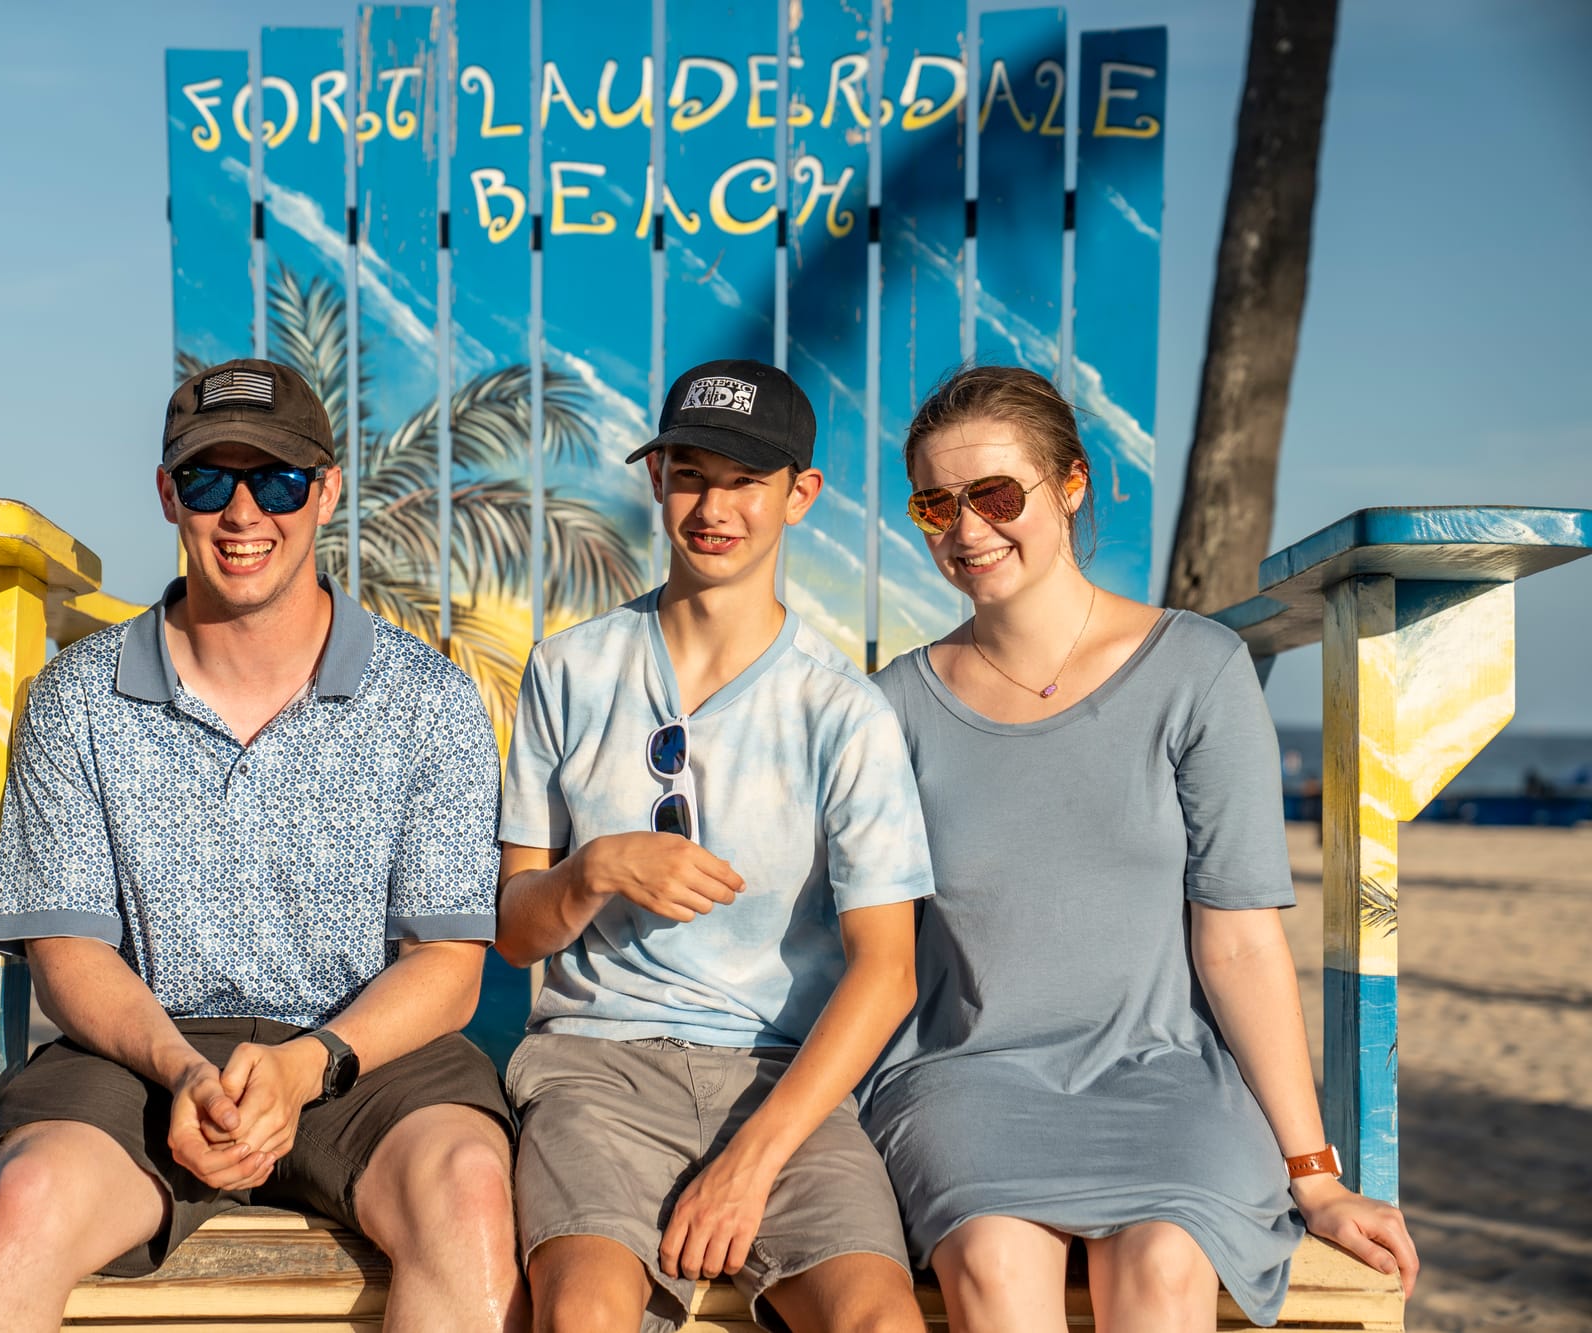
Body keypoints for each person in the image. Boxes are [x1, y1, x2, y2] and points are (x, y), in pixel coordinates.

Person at [0, 359, 523, 1333]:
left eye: (276, 480)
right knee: (24, 1200)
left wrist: (309, 1063)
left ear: (326, 490)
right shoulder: (76, 697)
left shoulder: (431, 700)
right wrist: (183, 1070)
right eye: (208, 480)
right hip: (142, 1053)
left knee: (470, 1193)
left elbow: (448, 967)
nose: (242, 512)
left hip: (361, 1057)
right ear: (168, 494)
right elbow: (69, 952)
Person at [861, 365, 1420, 1330]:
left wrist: (1316, 1175)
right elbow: (870, 949)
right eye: (935, 504)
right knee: (993, 1258)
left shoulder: (1198, 670)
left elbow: (1239, 943)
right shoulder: (893, 706)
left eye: (996, 495)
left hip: (1168, 1076)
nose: (967, 528)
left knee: (1165, 1264)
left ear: (1071, 484)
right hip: (967, 1078)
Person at [494, 359, 934, 1333]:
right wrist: (594, 868)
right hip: (596, 1070)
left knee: (880, 1321)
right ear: (656, 478)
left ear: (799, 495)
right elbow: (517, 932)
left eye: (745, 481)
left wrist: (750, 1163)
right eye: (690, 475)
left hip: (785, 1084)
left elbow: (888, 970)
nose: (713, 507)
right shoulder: (568, 667)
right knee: (582, 1313)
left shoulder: (843, 710)